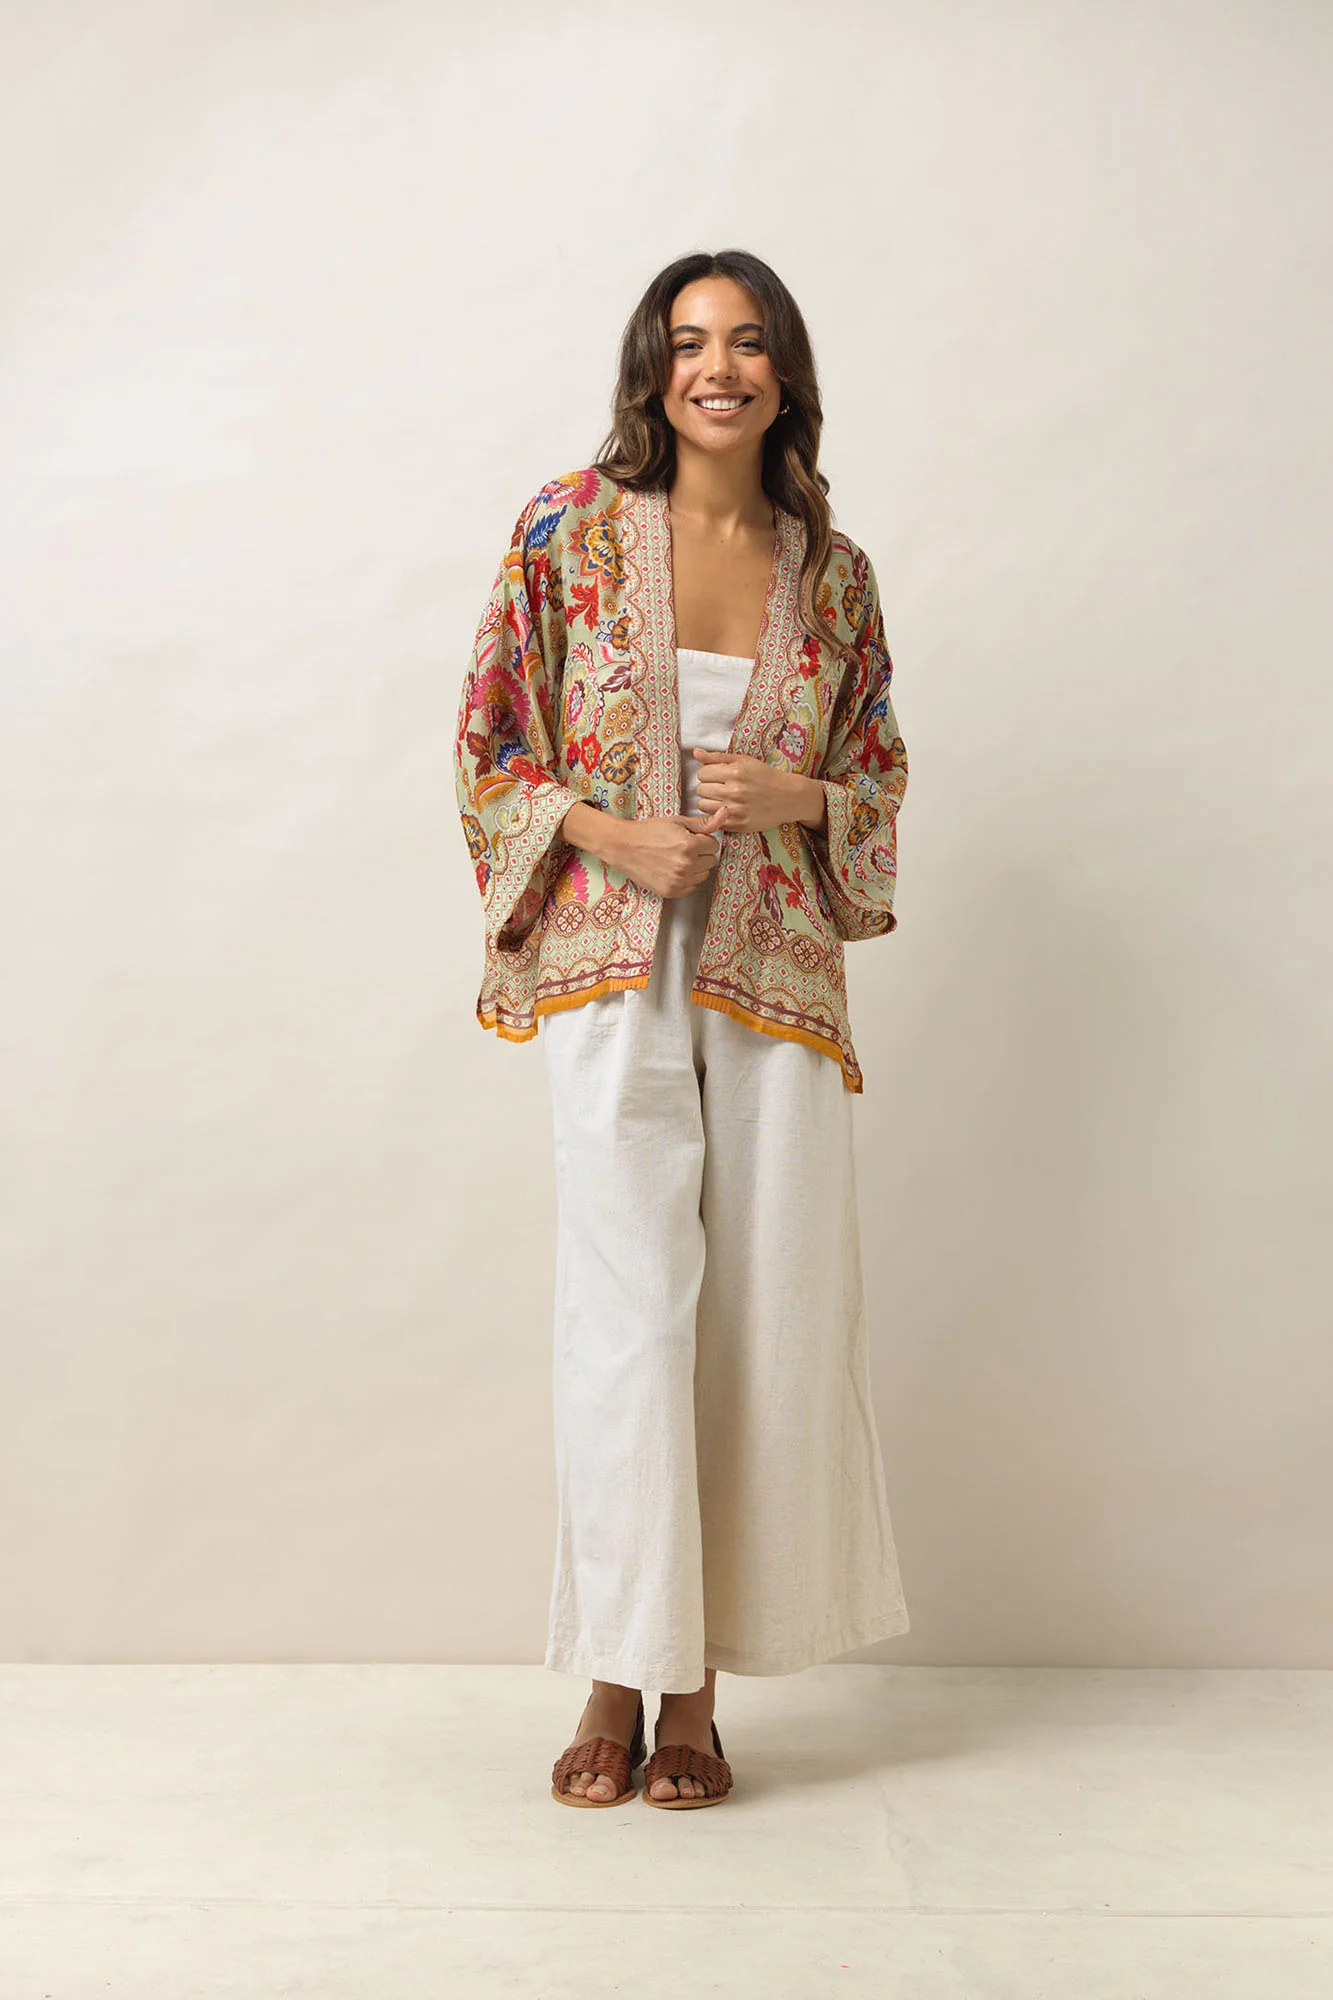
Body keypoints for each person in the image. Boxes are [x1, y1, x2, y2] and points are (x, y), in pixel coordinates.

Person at [453, 249, 910, 1811]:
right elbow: (490, 748)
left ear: (786, 373)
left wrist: (803, 799)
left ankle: (697, 1697)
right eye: (692, 339)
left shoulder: (832, 572)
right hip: (610, 960)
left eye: (751, 340)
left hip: (775, 966)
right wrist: (612, 833)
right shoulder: (567, 528)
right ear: (653, 367)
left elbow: (877, 776)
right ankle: (613, 1673)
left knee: (762, 1320)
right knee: (627, 1320)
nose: (722, 365)